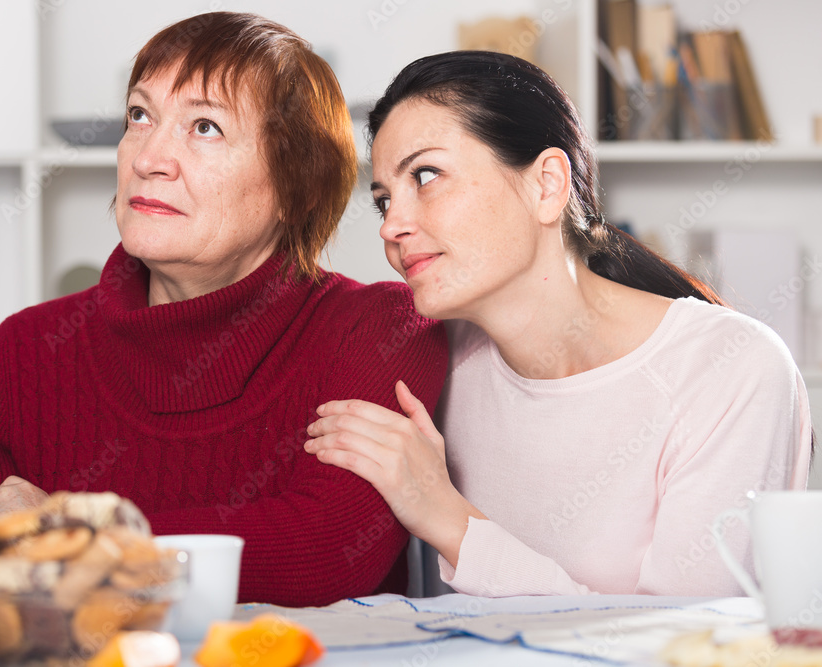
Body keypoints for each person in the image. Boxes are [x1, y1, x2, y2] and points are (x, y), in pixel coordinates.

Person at [0, 12, 448, 607]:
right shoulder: (25, 350)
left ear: (298, 186)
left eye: (205, 126)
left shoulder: (378, 329)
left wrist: (71, 529)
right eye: (139, 115)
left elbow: (326, 550)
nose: (149, 157)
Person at [304, 50, 812, 597]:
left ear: (546, 184)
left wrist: (447, 518)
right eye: (383, 202)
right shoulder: (431, 361)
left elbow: (681, 636)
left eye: (426, 176)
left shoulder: (731, 369)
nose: (392, 227)